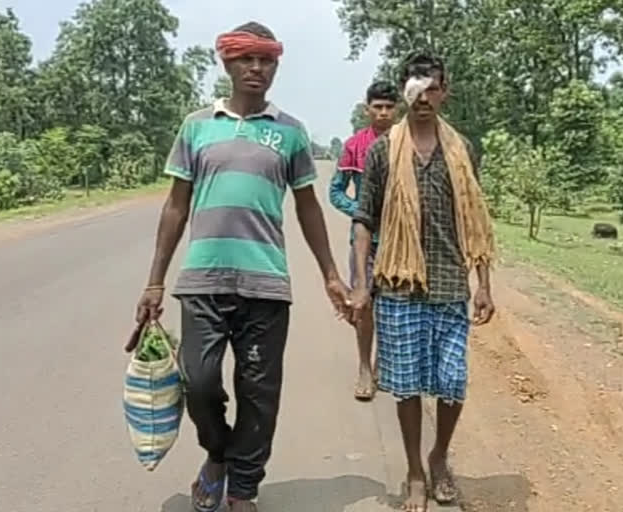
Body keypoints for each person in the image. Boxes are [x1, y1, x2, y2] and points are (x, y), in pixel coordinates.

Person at [133, 22, 350, 512]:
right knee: (200, 382)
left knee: (258, 393)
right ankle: (217, 454)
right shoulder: (196, 126)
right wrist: (154, 281)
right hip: (203, 281)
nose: (256, 69)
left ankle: (244, 489)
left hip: (266, 285)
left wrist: (331, 275)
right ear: (227, 64)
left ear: (275, 66)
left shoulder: (289, 132)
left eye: (266, 60)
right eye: (245, 59)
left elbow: (308, 207)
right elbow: (175, 206)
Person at [349, 53, 496, 512]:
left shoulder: (464, 149)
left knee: (452, 382)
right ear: (404, 91)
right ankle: (415, 470)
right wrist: (360, 282)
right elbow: (363, 219)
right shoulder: (381, 151)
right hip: (397, 284)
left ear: (445, 92)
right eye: (416, 87)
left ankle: (439, 456)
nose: (425, 96)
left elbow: (474, 220)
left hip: (452, 282)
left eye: (433, 87)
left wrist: (484, 284)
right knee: (408, 385)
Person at [329, 81, 398, 401]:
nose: (383, 113)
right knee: (363, 303)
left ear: (397, 109)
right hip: (364, 241)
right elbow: (336, 191)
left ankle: (383, 363)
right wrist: (361, 211)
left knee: (393, 305)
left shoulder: (406, 143)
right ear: (367, 108)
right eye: (377, 107)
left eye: (389, 107)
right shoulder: (355, 145)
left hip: (400, 241)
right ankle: (364, 368)